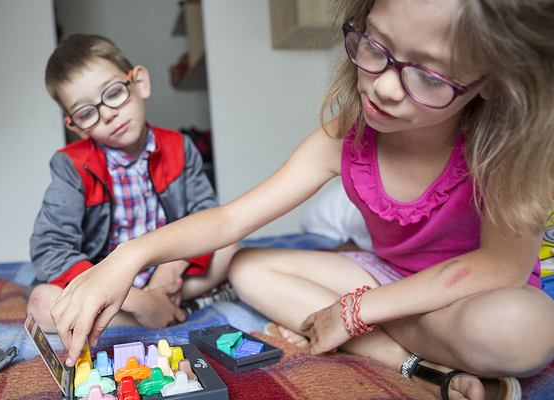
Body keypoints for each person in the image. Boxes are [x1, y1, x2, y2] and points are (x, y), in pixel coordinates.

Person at [51, 1, 554, 399]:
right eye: (374, 45)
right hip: (380, 278)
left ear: (488, 81)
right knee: (246, 267)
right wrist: (129, 255)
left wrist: (356, 311)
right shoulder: (344, 139)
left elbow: (500, 267)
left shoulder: (508, 148)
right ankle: (420, 369)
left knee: (525, 330)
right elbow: (231, 219)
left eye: (429, 76)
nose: (383, 86)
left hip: (466, 298)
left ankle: (385, 338)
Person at [27, 34, 239, 333]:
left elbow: (207, 216)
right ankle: (150, 314)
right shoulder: (72, 167)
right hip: (107, 283)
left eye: (113, 93)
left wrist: (171, 269)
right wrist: (136, 300)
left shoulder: (179, 147)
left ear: (140, 82)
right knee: (42, 302)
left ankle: (162, 302)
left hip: (168, 269)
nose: (109, 114)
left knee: (230, 245)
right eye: (87, 112)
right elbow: (51, 248)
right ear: (77, 128)